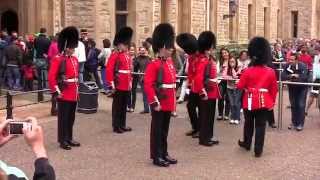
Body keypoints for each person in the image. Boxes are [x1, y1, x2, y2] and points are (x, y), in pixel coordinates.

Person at [237, 37, 278, 157]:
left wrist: (246, 87)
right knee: (261, 126)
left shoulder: (247, 71)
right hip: (264, 102)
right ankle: (258, 150)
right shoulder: (270, 71)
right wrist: (272, 103)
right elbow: (274, 90)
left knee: (248, 123)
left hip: (249, 100)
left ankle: (247, 143)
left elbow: (240, 86)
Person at [144, 23, 177, 167]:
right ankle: (156, 156)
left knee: (164, 129)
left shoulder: (169, 62)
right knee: (157, 130)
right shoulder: (154, 64)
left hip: (168, 101)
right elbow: (148, 85)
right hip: (159, 101)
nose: (171, 49)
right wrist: (154, 102)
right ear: (163, 47)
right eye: (169, 47)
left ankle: (164, 152)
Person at [48, 26, 81, 150]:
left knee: (71, 117)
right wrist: (57, 91)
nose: (73, 50)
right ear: (66, 47)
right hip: (64, 92)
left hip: (73, 92)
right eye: (71, 47)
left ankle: (69, 138)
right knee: (63, 118)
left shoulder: (75, 59)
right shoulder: (58, 59)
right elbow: (52, 77)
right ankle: (62, 140)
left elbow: (76, 77)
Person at [195, 31, 221, 146]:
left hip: (212, 91)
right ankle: (203, 139)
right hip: (207, 92)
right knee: (205, 117)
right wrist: (202, 92)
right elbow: (198, 79)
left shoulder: (209, 59)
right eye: (211, 47)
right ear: (207, 47)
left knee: (210, 116)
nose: (212, 49)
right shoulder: (203, 61)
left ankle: (209, 136)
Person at [106, 27, 133, 134]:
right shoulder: (115, 55)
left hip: (126, 84)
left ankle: (122, 124)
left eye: (127, 45)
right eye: (125, 44)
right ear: (119, 44)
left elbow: (129, 70)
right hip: (118, 84)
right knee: (117, 106)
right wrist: (111, 84)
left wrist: (130, 82)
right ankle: (116, 125)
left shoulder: (127, 55)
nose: (126, 46)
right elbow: (109, 70)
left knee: (123, 105)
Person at [176, 33, 200, 138]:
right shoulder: (191, 57)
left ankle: (200, 129)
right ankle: (195, 127)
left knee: (201, 109)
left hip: (200, 87)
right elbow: (181, 49)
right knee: (190, 106)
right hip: (192, 86)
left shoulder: (199, 57)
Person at [282, 52, 309, 131]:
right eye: (289, 59)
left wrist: (295, 78)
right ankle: (294, 122)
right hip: (292, 88)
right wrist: (291, 76)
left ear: (297, 60)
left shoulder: (303, 66)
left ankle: (300, 123)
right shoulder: (287, 66)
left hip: (302, 88)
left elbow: (304, 77)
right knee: (293, 105)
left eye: (292, 60)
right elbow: (282, 76)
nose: (290, 61)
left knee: (300, 105)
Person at [130, 46, 151, 113]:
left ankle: (149, 108)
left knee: (149, 94)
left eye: (144, 50)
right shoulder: (137, 58)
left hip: (149, 77)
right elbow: (134, 65)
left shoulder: (149, 58)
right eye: (141, 50)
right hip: (142, 78)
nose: (142, 51)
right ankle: (146, 108)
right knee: (145, 94)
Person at [222, 56, 242, 125]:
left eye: (233, 61)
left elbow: (237, 76)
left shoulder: (239, 68)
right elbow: (224, 76)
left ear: (236, 62)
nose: (231, 63)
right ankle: (232, 117)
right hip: (229, 87)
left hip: (238, 88)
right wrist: (231, 77)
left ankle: (237, 118)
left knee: (236, 103)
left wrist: (233, 69)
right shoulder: (227, 68)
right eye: (230, 62)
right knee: (232, 103)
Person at [217, 47, 231, 121]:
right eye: (222, 53)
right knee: (220, 97)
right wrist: (221, 69)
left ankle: (226, 114)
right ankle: (220, 114)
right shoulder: (220, 61)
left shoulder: (232, 60)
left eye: (225, 52)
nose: (224, 54)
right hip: (221, 81)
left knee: (228, 98)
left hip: (229, 81)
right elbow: (217, 72)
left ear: (228, 53)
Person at [306, 47, 320, 114]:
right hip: (317, 80)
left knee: (312, 96)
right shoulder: (316, 58)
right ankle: (306, 110)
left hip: (316, 79)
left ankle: (306, 110)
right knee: (312, 95)